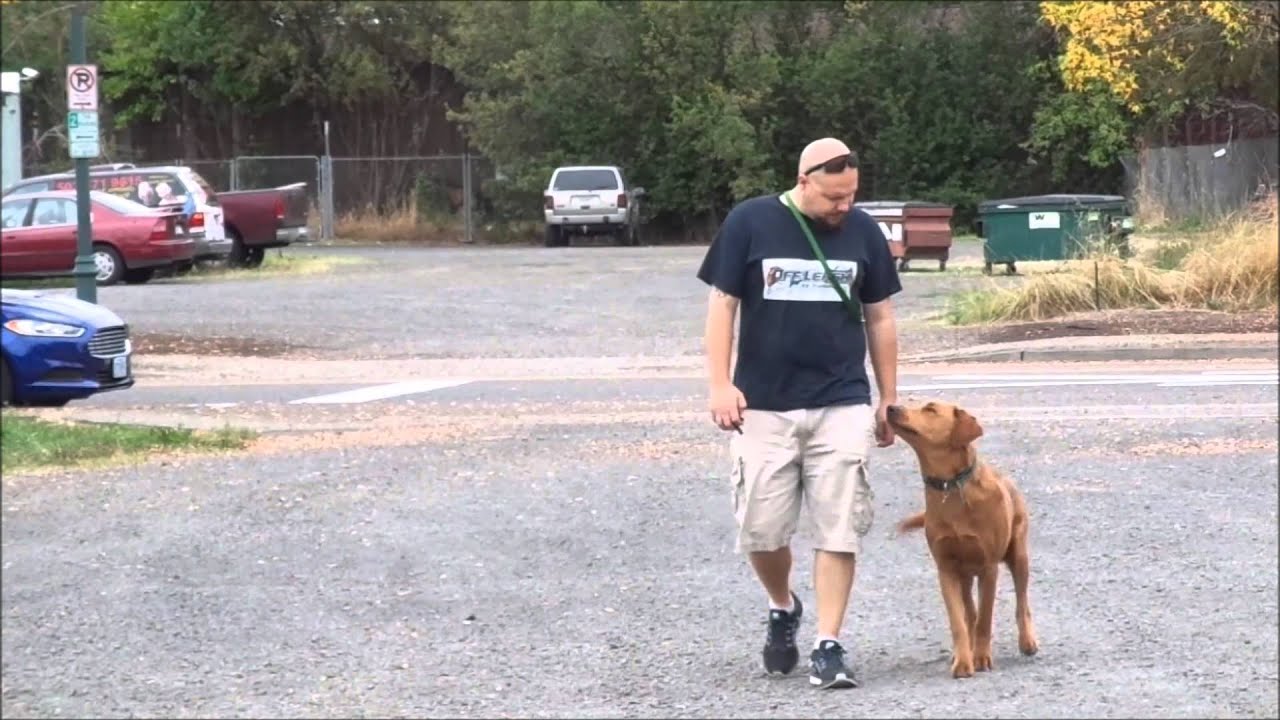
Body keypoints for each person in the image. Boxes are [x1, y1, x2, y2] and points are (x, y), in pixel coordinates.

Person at [695, 137, 902, 690]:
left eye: (852, 196)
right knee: (760, 531)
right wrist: (720, 384)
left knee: (839, 526)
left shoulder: (863, 233)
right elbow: (722, 307)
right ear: (804, 180)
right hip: (762, 402)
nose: (845, 207)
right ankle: (783, 605)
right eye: (835, 197)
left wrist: (888, 395)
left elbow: (879, 318)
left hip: (841, 400)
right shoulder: (751, 222)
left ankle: (828, 645)